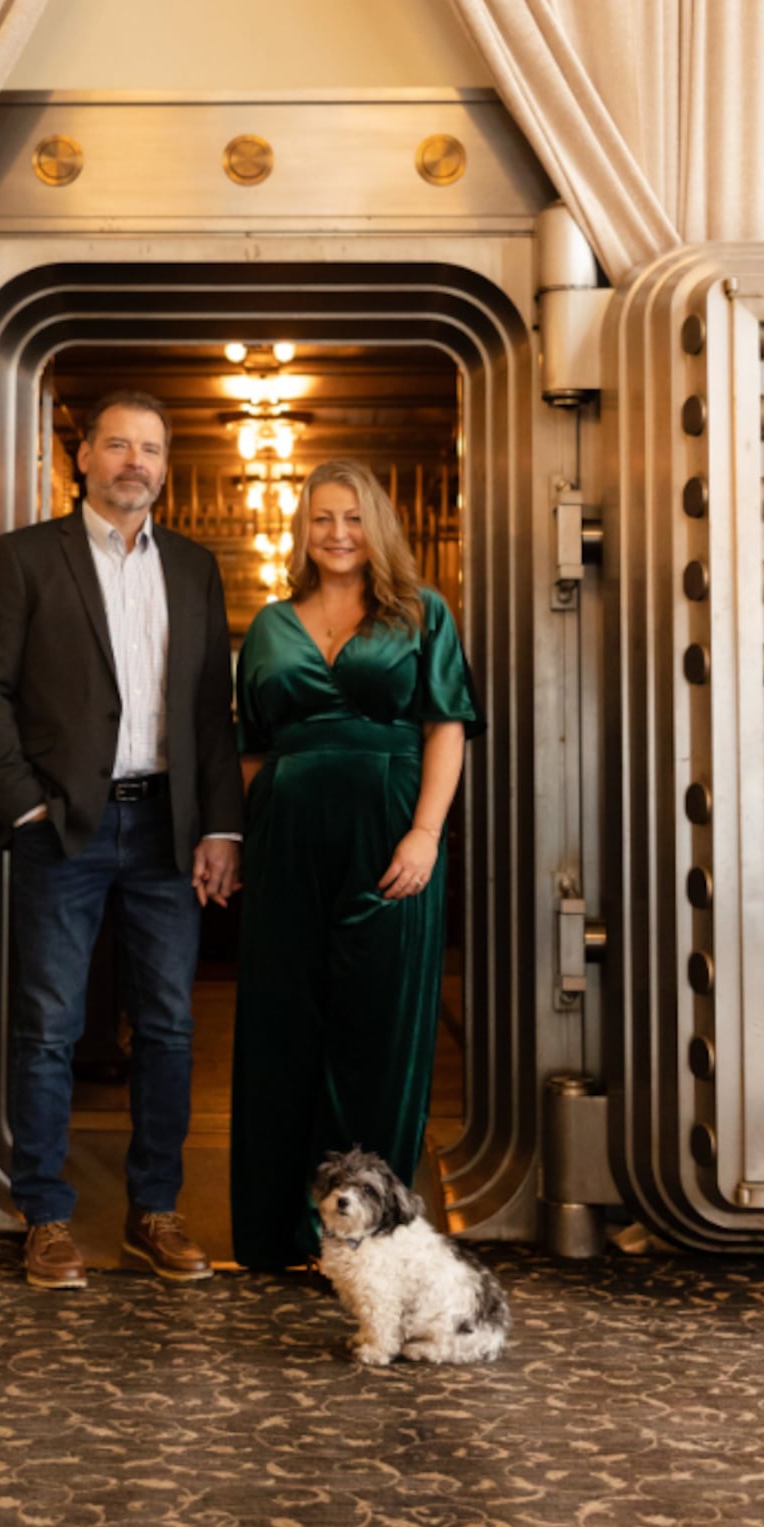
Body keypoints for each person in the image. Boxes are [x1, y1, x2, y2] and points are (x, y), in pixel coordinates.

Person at [0, 390, 243, 1291]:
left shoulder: (196, 569)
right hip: (65, 826)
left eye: (151, 449)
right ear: (83, 458)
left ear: (167, 466)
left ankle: (153, 1214)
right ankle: (45, 1217)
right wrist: (24, 805)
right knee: (49, 1026)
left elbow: (209, 710)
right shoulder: (26, 558)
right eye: (117, 445)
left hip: (169, 826)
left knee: (167, 1027)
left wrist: (221, 825)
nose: (135, 462)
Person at [230, 458, 486, 1274]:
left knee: (378, 1032)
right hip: (287, 840)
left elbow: (447, 725)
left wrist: (425, 834)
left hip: (391, 834)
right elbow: (250, 748)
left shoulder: (422, 613)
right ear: (301, 531)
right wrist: (252, 835)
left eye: (352, 518)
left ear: (377, 527)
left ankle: (371, 1241)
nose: (336, 533)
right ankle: (280, 1236)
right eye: (320, 519)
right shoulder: (271, 624)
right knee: (283, 1028)